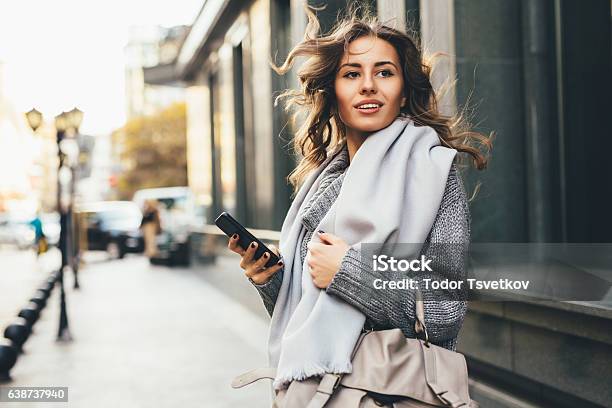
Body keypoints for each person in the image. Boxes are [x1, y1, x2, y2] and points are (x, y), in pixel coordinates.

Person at [228, 6, 491, 391]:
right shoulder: (319, 185)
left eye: (384, 72)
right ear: (333, 93)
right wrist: (273, 282)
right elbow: (307, 319)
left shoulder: (433, 174)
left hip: (391, 391)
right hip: (318, 391)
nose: (368, 85)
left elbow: (443, 312)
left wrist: (349, 272)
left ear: (403, 93)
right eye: (352, 74)